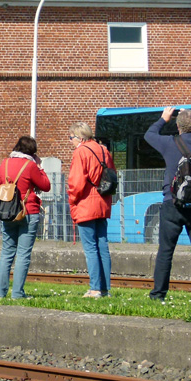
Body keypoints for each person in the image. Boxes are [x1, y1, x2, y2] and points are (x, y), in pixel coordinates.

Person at [144, 107, 191, 300]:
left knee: (166, 250)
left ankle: (158, 294)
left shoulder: (170, 143)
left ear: (178, 127)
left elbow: (149, 135)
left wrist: (163, 119)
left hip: (172, 203)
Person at [0, 136, 51, 300]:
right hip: (28, 212)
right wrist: (40, 167)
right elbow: (45, 185)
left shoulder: (5, 163)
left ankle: (0, 293)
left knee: (7, 253)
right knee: (23, 254)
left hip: (8, 213)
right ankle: (17, 293)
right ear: (33, 152)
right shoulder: (31, 166)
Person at [67, 122, 115, 298]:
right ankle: (105, 288)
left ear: (79, 137)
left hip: (87, 203)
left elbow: (76, 182)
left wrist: (72, 199)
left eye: (71, 138)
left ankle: (94, 288)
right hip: (103, 202)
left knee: (90, 247)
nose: (70, 141)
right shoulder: (104, 150)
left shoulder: (81, 152)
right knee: (102, 245)